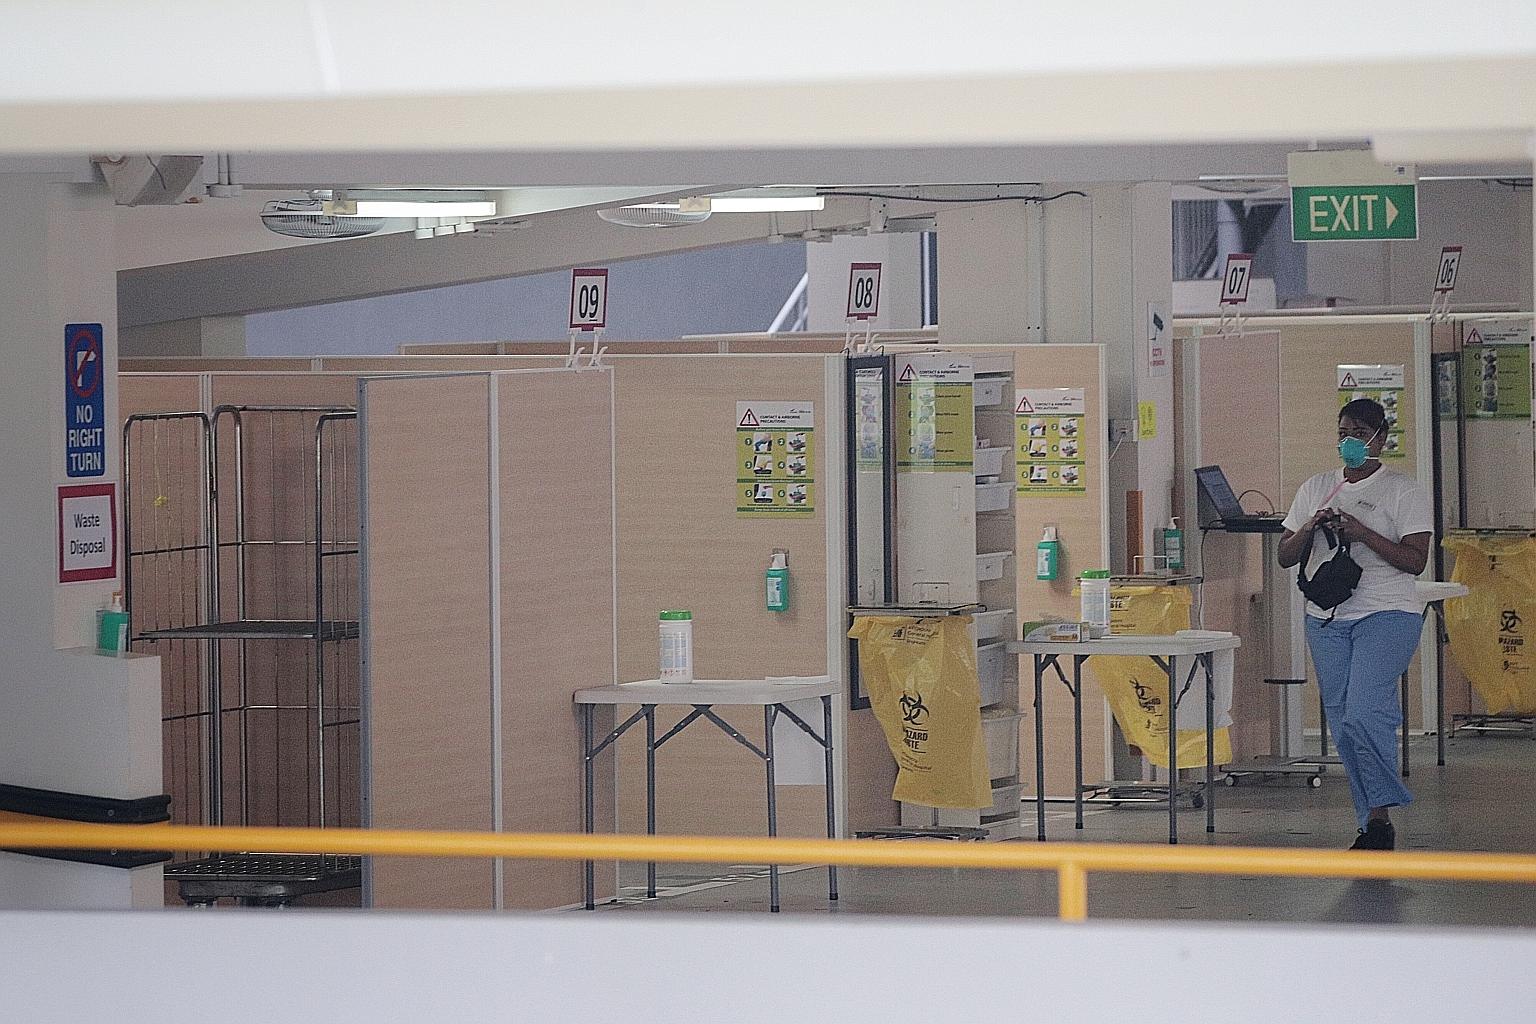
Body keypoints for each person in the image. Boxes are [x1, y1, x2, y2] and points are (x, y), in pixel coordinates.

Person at [1277, 398, 1432, 851]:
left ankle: (1382, 809)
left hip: (1387, 612)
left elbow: (1415, 561)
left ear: (1381, 439)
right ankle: (1374, 822)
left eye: (1361, 433)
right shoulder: (1317, 487)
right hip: (1327, 618)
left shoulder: (1403, 491)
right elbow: (1287, 555)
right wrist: (1311, 526)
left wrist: (1362, 532)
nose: (1350, 442)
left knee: (1367, 712)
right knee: (1344, 722)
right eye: (1344, 432)